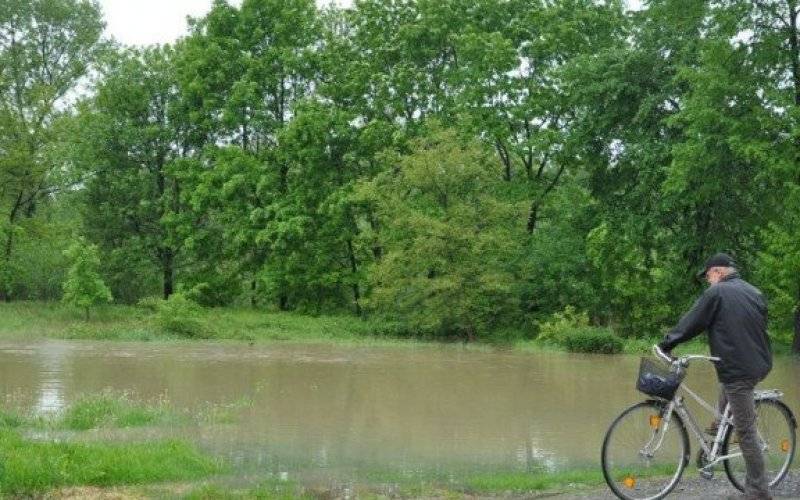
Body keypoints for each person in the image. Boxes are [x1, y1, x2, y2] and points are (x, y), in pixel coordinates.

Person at [658, 252, 772, 500]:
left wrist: (666, 344)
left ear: (718, 272)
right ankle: (717, 438)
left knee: (746, 432)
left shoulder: (717, 292)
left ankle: (758, 492)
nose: (708, 281)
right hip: (756, 364)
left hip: (738, 370)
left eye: (708, 276)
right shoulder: (754, 292)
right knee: (723, 404)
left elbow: (693, 322)